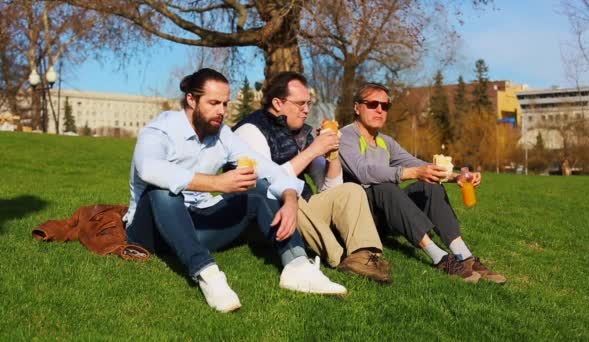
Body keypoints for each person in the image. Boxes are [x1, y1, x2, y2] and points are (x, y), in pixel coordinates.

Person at [124, 68, 346, 314]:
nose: (221, 111)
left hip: (196, 224)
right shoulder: (161, 129)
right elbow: (149, 168)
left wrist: (291, 198)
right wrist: (217, 183)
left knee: (259, 187)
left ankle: (297, 266)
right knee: (163, 189)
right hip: (150, 231)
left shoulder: (222, 135)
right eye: (213, 103)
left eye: (225, 103)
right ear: (191, 99)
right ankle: (208, 274)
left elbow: (270, 170)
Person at [339, 82, 506, 284]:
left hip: (385, 214)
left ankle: (464, 256)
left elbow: (418, 164)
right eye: (373, 104)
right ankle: (440, 257)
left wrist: (455, 177)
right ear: (357, 107)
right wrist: (411, 173)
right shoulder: (346, 136)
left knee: (430, 184)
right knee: (384, 186)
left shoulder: (385, 141)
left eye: (385, 106)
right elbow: (363, 172)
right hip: (362, 219)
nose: (380, 110)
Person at [233, 72, 391, 283]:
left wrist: (331, 152)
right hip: (265, 216)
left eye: (308, 103)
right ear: (278, 103)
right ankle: (340, 257)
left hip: (303, 211)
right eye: (300, 104)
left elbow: (330, 189)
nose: (307, 110)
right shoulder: (251, 130)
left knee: (351, 191)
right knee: (288, 197)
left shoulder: (303, 133)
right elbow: (266, 184)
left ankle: (363, 255)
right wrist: (313, 150)